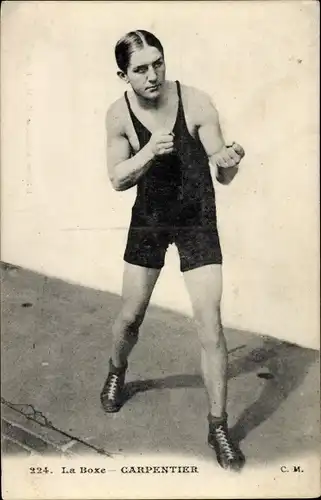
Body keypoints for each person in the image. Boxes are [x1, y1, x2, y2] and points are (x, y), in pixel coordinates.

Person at [101, 30, 246, 472]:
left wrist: (231, 161)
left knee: (210, 324)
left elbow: (223, 174)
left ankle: (217, 424)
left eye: (158, 63)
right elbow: (117, 179)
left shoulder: (198, 102)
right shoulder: (118, 115)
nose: (153, 75)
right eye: (141, 68)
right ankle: (116, 370)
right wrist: (147, 152)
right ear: (123, 74)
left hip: (197, 217)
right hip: (150, 217)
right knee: (130, 317)